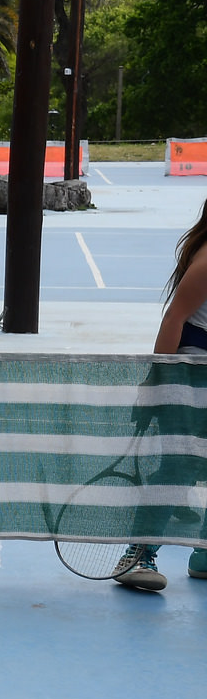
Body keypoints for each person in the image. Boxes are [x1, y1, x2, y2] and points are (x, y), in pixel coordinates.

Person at [113, 203, 207, 591]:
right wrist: (157, 382)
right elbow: (174, 319)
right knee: (178, 467)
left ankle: (202, 553)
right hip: (192, 377)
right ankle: (135, 556)